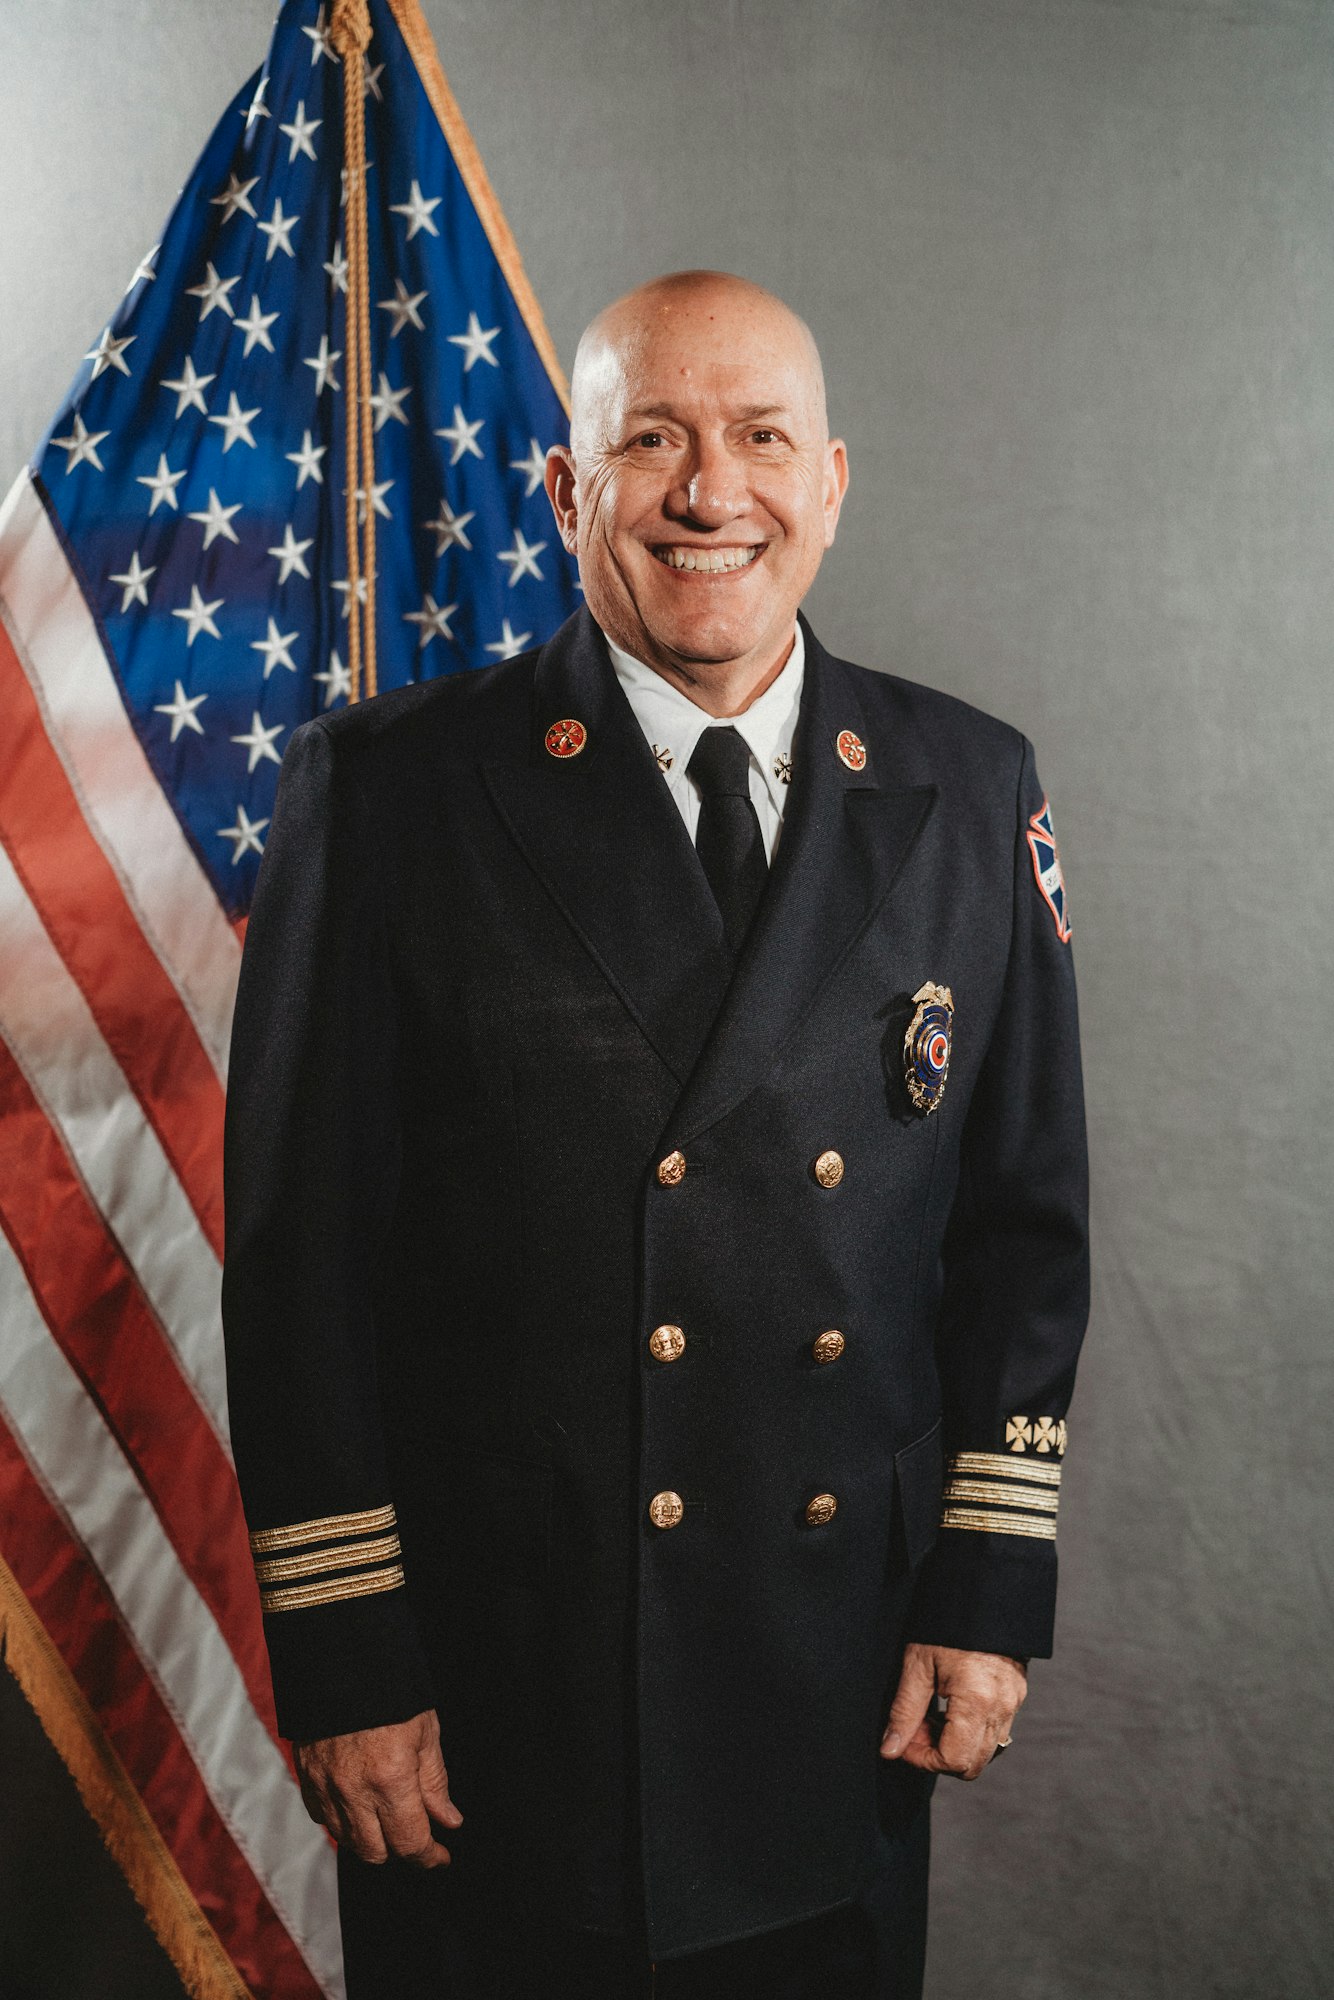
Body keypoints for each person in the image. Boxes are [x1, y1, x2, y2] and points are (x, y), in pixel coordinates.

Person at [222, 269, 1090, 1999]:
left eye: (763, 438)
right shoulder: (390, 791)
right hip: (490, 1699)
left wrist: (986, 1581)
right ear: (567, 490)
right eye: (653, 441)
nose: (714, 493)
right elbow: (299, 1261)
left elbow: (1022, 1225)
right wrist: (345, 1653)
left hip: (829, 1678)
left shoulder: (967, 788)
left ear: (831, 483)